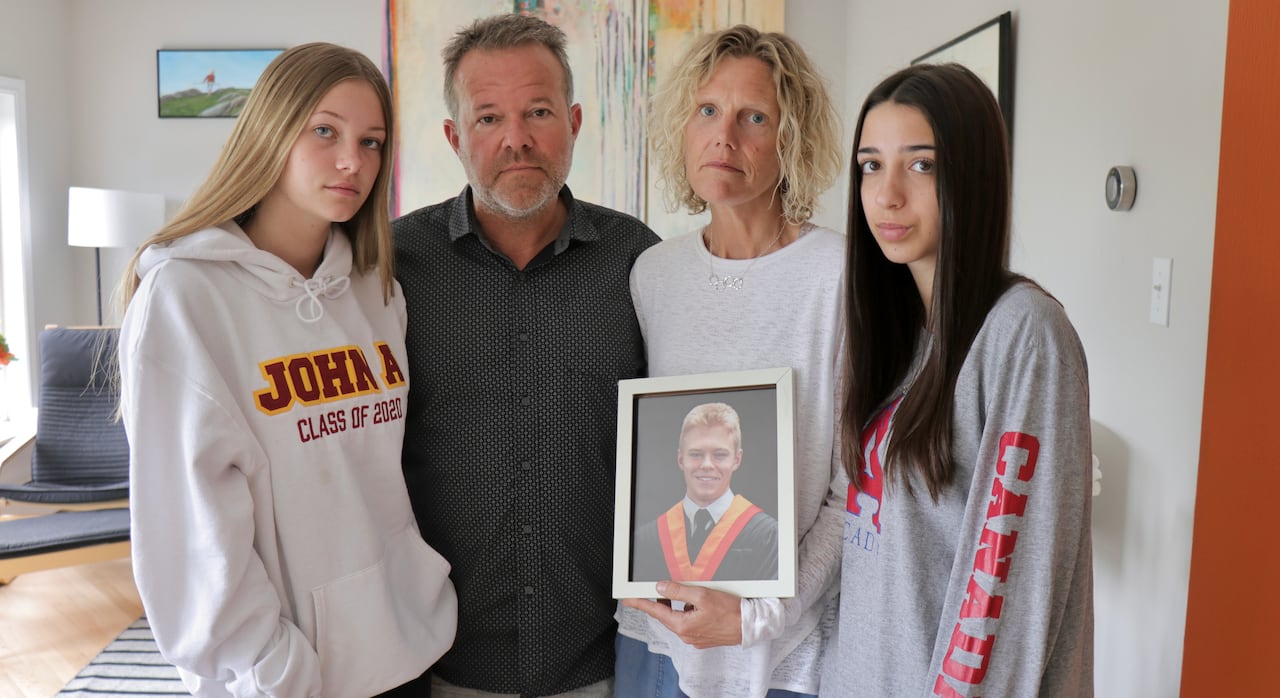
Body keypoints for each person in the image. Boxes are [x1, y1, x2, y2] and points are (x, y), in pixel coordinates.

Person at [116, 43, 457, 697]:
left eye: (373, 141)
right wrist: (269, 668)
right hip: (286, 676)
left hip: (405, 650)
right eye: (324, 131)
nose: (352, 161)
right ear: (270, 130)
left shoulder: (376, 287)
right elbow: (186, 525)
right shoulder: (187, 296)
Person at [391, 13, 660, 697]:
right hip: (442, 662)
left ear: (573, 121)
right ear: (455, 137)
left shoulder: (640, 262)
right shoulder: (391, 267)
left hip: (602, 660)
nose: (517, 139)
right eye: (488, 118)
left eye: (538, 111)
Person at [826, 62, 1093, 696]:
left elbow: (1006, 591)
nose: (887, 193)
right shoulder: (900, 338)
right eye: (870, 164)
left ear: (970, 177)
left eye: (921, 165)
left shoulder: (1024, 334)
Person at [616, 24, 847, 698]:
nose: (725, 137)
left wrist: (757, 617)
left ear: (791, 138)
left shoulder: (840, 275)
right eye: (707, 111)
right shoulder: (652, 275)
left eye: (754, 117)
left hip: (782, 656)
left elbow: (854, 487)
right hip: (655, 640)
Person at [632, 402, 779, 583]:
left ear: (737, 460)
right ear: (680, 459)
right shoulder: (646, 539)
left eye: (719, 454)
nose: (707, 465)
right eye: (695, 454)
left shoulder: (767, 536)